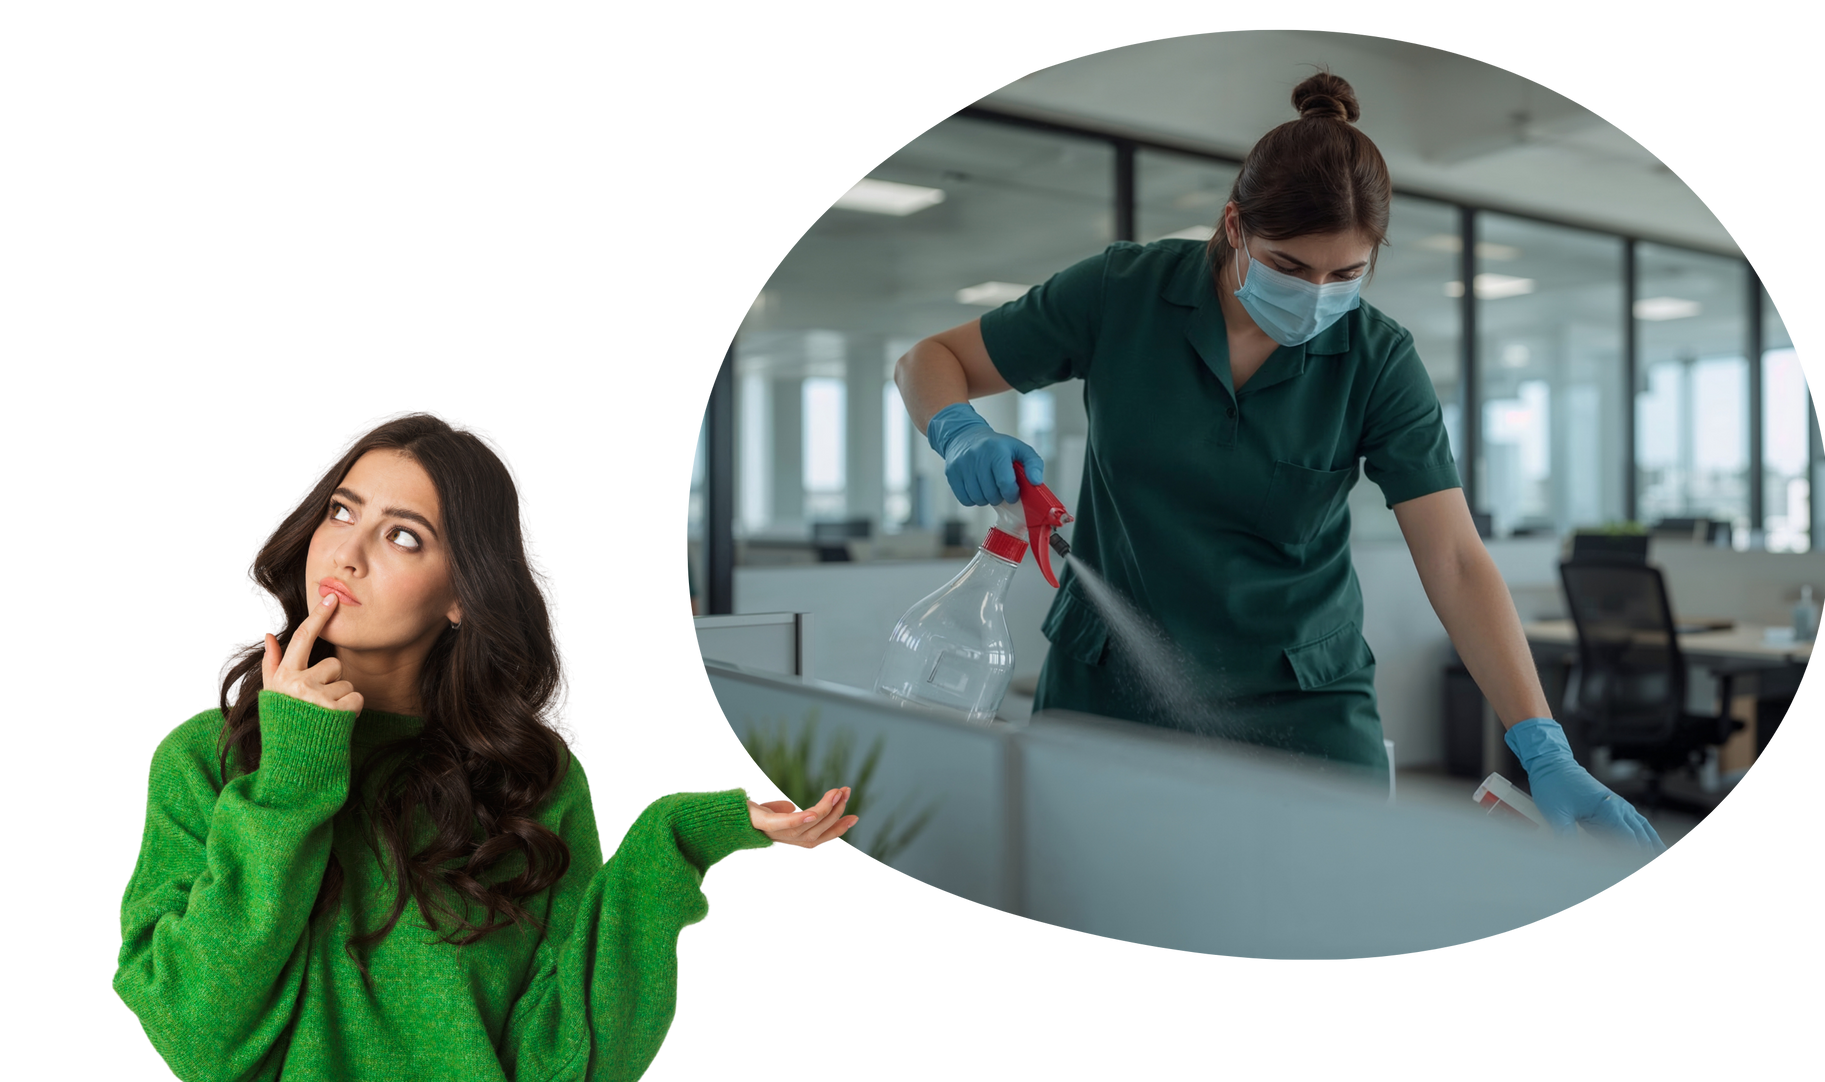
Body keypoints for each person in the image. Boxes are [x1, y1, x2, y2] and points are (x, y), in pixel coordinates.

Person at [893, 71, 1665, 854]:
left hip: (1302, 701)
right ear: (1235, 227)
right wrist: (957, 429)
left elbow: (1457, 561)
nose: (1318, 295)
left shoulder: (1378, 360)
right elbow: (930, 360)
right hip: (1111, 685)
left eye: (1346, 275)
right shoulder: (1122, 293)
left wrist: (1542, 742)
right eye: (1292, 268)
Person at [110, 407, 857, 1081]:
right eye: (342, 512)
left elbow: (574, 1063)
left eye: (404, 535)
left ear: (464, 592)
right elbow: (193, 1039)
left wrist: (676, 842)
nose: (347, 554)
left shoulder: (531, 783)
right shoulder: (204, 758)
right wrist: (292, 776)